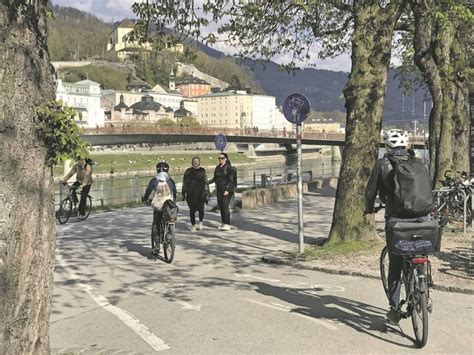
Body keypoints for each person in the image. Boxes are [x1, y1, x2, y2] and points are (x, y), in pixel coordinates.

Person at [364, 129, 428, 325]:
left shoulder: (382, 164)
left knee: (395, 263)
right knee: (421, 249)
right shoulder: (418, 163)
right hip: (422, 217)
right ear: (406, 145)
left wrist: (369, 210)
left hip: (397, 220)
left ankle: (394, 309)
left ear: (387, 146)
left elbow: (370, 192)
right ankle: (424, 281)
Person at [143, 161, 177, 254]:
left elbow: (148, 191)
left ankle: (157, 245)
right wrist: (174, 203)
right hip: (169, 205)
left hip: (159, 206)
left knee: (156, 223)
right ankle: (170, 233)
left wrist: (145, 199)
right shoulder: (171, 180)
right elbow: (175, 193)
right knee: (170, 219)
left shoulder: (154, 180)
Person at [182, 156, 209, 232]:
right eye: (194, 161)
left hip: (201, 193)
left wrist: (207, 193)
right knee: (192, 210)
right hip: (191, 194)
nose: (196, 162)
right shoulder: (188, 171)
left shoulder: (202, 170)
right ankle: (193, 225)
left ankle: (200, 222)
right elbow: (185, 183)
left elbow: (206, 182)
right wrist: (183, 193)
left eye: (197, 161)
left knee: (201, 210)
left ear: (199, 162)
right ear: (192, 162)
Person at [209, 152, 234, 231]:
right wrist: (207, 182)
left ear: (226, 159)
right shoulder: (217, 167)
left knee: (225, 206)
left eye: (222, 158)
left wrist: (227, 190)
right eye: (219, 158)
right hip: (219, 190)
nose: (220, 159)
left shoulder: (229, 168)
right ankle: (223, 223)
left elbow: (231, 181)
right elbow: (215, 178)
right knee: (221, 207)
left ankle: (227, 224)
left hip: (227, 190)